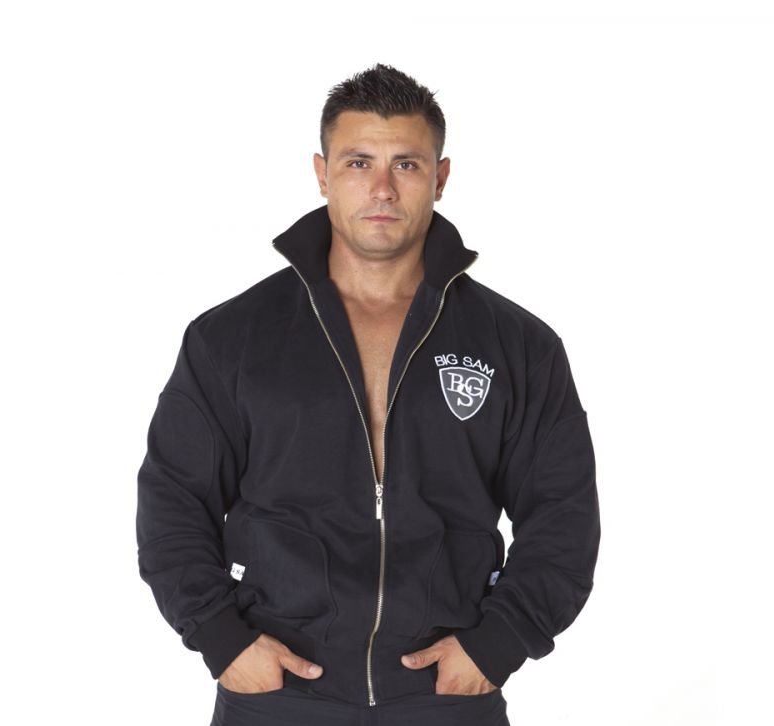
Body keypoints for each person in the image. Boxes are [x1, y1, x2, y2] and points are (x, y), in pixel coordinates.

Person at [136, 63, 601, 726]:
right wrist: (221, 637)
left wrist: (498, 643)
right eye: (359, 162)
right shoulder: (232, 338)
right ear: (323, 173)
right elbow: (173, 501)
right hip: (276, 694)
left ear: (440, 177)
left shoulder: (518, 344)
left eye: (406, 164)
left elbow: (563, 514)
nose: (382, 188)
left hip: (446, 696)